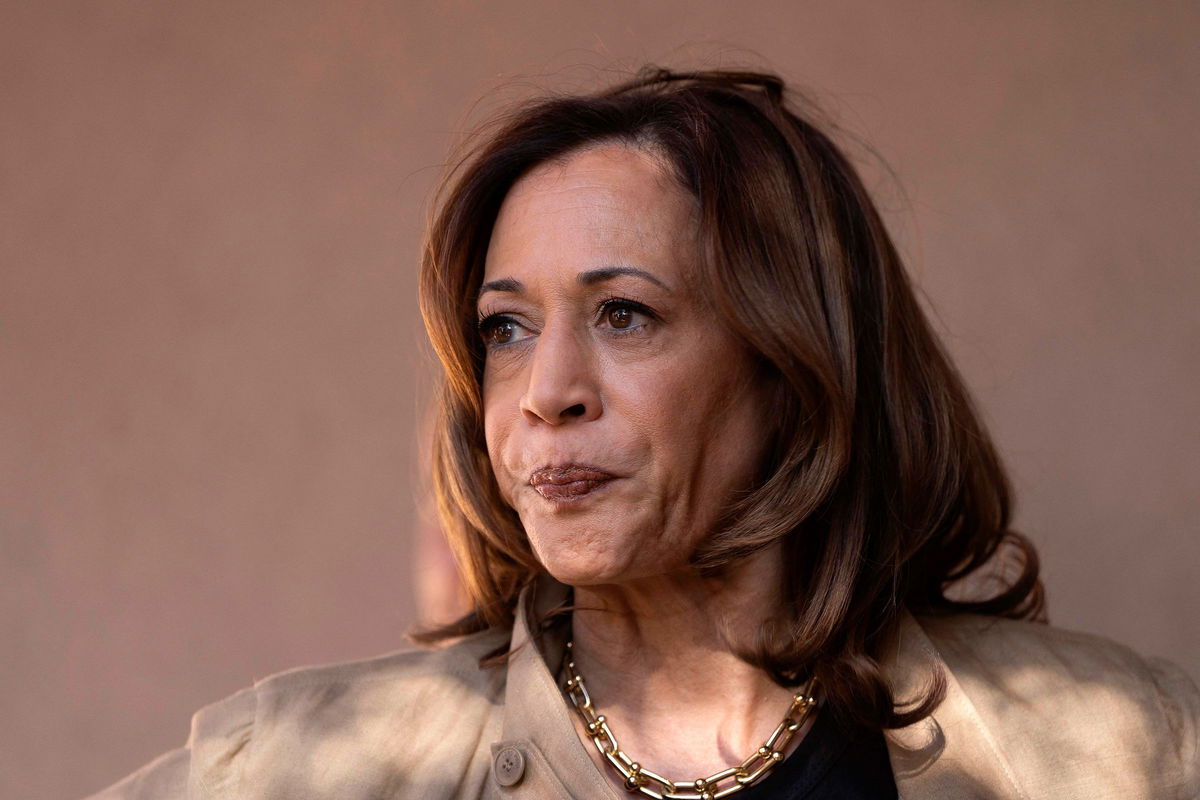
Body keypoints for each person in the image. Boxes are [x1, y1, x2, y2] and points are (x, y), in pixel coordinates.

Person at [87, 67, 1198, 800]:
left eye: (625, 313)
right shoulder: (289, 767)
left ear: (794, 363)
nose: (545, 390)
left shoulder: (1125, 747)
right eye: (507, 328)